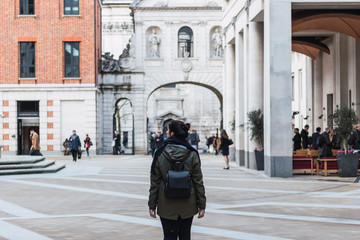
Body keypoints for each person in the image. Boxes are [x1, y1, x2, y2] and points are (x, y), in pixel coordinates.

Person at [148, 120, 206, 240]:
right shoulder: (192, 153)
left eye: (168, 130)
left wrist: (152, 204)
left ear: (172, 133)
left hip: (166, 203)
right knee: (185, 236)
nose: (166, 132)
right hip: (188, 203)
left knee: (169, 236)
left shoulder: (160, 153)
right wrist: (202, 204)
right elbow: (198, 182)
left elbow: (155, 182)